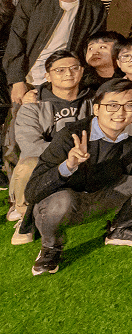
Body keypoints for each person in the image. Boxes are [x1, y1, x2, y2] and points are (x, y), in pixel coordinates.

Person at [23, 78, 132, 274]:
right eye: (112, 105)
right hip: (69, 201)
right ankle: (51, 247)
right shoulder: (70, 135)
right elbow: (31, 192)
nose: (120, 113)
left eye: (129, 105)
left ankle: (120, 229)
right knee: (61, 201)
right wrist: (67, 167)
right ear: (96, 109)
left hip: (108, 195)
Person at [8, 50, 93, 239]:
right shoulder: (32, 105)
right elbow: (31, 146)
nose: (68, 74)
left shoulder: (94, 100)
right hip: (46, 163)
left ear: (81, 71)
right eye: (59, 70)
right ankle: (25, 215)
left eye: (74, 68)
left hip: (83, 161)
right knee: (28, 163)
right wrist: (68, 154)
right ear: (47, 76)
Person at [5, 0, 106, 102]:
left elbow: (93, 47)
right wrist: (17, 81)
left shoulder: (94, 7)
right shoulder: (32, 2)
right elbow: (16, 42)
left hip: (68, 80)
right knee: (25, 116)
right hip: (31, 79)